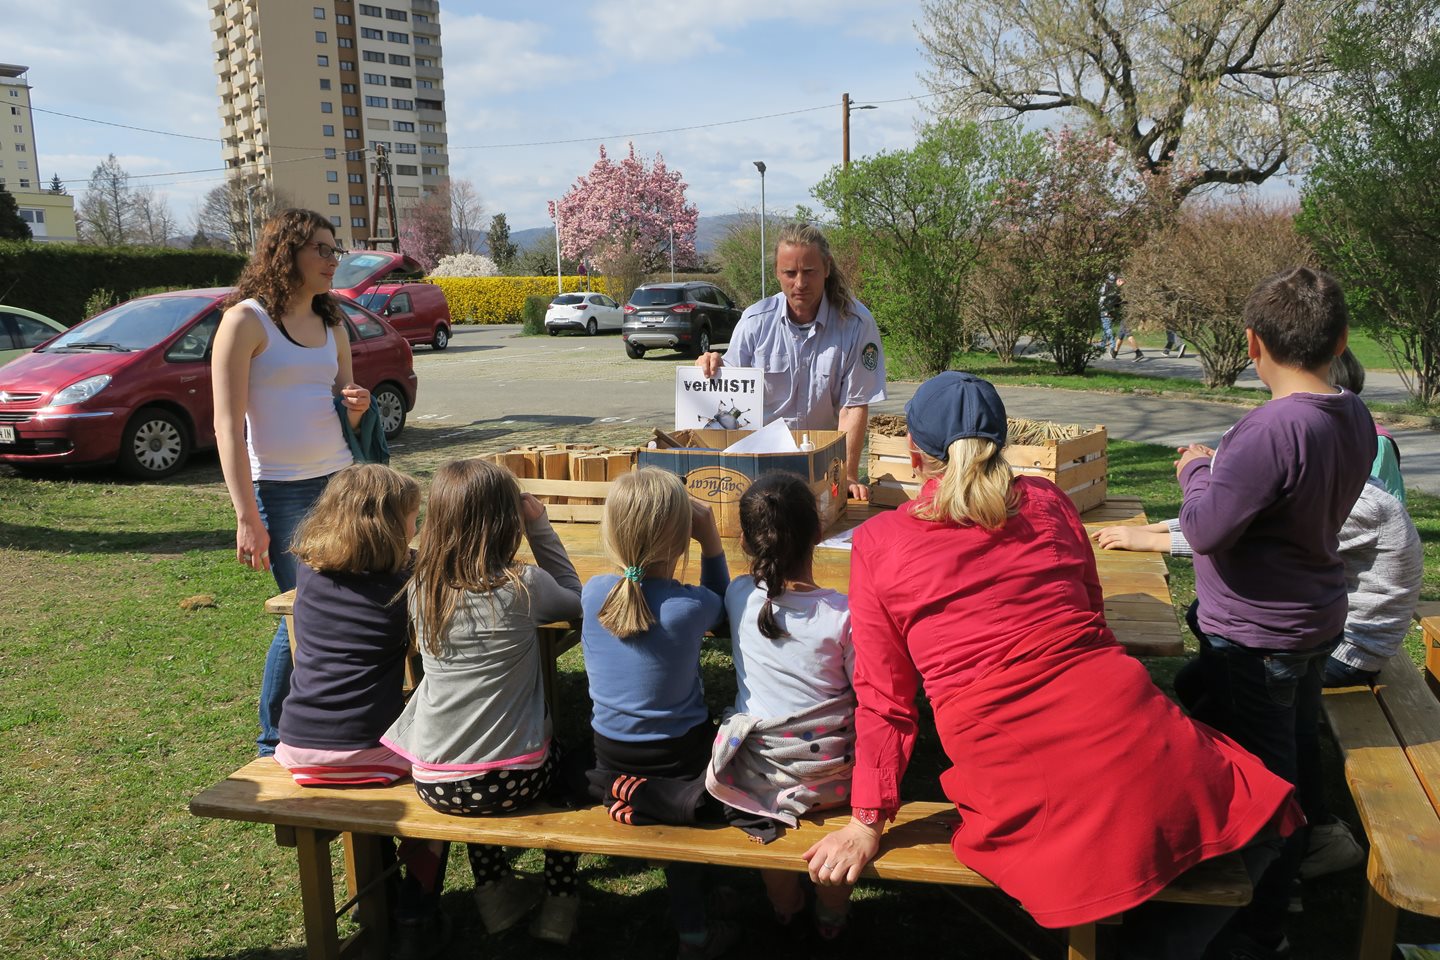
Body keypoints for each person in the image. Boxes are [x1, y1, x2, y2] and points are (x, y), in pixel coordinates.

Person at [804, 371, 1301, 960]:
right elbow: (1091, 608)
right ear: (1002, 441)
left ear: (914, 454)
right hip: (1125, 714)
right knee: (1253, 806)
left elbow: (884, 698)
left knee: (1091, 842)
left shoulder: (879, 541)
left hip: (1017, 760)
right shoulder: (1047, 501)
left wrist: (867, 820)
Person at [1172, 267, 1376, 959]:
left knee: (1266, 783)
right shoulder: (1352, 414)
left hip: (1259, 638)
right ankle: (1295, 866)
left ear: (1252, 343)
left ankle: (1261, 924)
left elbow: (1204, 529)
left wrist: (1195, 469)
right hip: (1311, 618)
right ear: (1340, 341)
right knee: (1290, 745)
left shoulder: (1271, 430)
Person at [380, 459, 585, 946]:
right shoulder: (523, 586)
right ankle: (559, 900)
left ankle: (495, 892)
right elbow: (578, 599)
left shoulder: (421, 587)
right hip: (515, 780)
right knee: (569, 772)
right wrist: (540, 528)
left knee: (479, 763)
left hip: (435, 780)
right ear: (506, 521)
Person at [212, 208, 372, 757]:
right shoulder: (245, 321)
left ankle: (333, 719)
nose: (332, 260)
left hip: (342, 484)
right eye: (321, 249)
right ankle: (272, 740)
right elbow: (226, 426)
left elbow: (346, 408)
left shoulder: (333, 323)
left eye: (334, 250)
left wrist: (357, 408)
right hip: (281, 490)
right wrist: (245, 516)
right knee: (303, 610)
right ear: (287, 253)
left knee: (345, 603)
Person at [273, 463, 446, 957]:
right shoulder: (409, 577)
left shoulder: (309, 569)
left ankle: (381, 894)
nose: (418, 524)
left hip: (297, 746)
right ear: (392, 524)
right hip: (366, 751)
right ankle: (416, 907)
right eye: (413, 516)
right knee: (450, 775)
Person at [580, 468, 736, 959]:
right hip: (678, 761)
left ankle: (707, 899)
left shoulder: (593, 593)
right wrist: (711, 542)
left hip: (610, 756)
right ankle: (695, 932)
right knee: (722, 730)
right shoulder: (692, 605)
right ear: (680, 535)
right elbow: (724, 609)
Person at [704, 473, 856, 939]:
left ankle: (784, 906)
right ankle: (831, 915)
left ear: (745, 542)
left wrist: (709, 544)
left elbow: (721, 592)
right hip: (834, 782)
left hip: (759, 780)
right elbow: (865, 693)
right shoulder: (843, 614)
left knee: (767, 818)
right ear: (819, 533)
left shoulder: (737, 596)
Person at [695, 223, 886, 500]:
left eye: (809, 272)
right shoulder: (755, 322)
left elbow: (853, 406)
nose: (800, 283)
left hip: (823, 466)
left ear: (827, 268)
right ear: (776, 271)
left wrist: (847, 475)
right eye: (790, 273)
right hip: (760, 467)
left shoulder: (856, 323)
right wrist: (712, 365)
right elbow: (731, 394)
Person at [1100, 273, 1143, 361]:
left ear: (1119, 280)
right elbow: (1118, 303)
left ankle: (1138, 353)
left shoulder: (1122, 291)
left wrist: (1109, 311)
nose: (1116, 283)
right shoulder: (1125, 290)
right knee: (1121, 334)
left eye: (1116, 281)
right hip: (1128, 314)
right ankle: (1115, 352)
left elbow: (1115, 302)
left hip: (1128, 315)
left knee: (1128, 334)